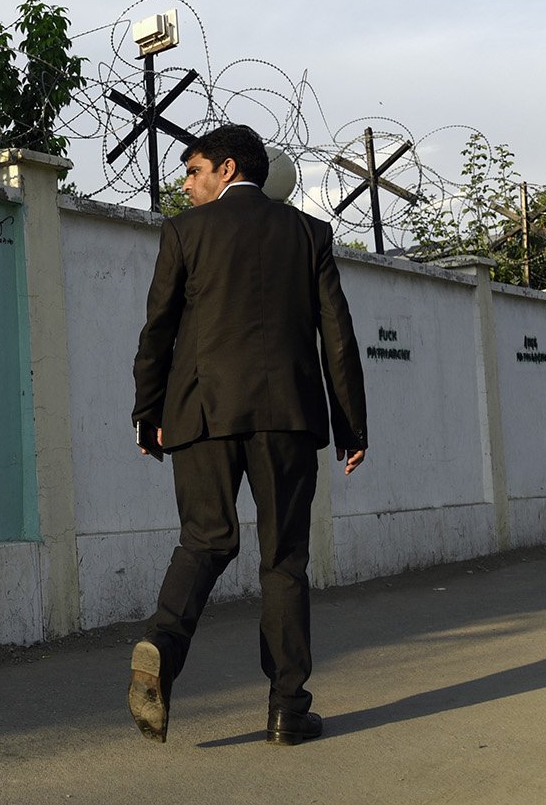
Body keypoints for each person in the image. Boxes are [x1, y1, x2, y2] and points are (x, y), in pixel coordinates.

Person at [128, 124, 368, 746]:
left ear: (227, 168)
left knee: (205, 540)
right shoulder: (309, 234)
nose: (185, 184)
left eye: (193, 171)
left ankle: (161, 643)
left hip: (201, 414)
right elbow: (336, 336)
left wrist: (146, 411)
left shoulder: (184, 233)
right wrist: (351, 424)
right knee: (284, 558)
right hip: (287, 418)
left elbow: (158, 328)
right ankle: (288, 709)